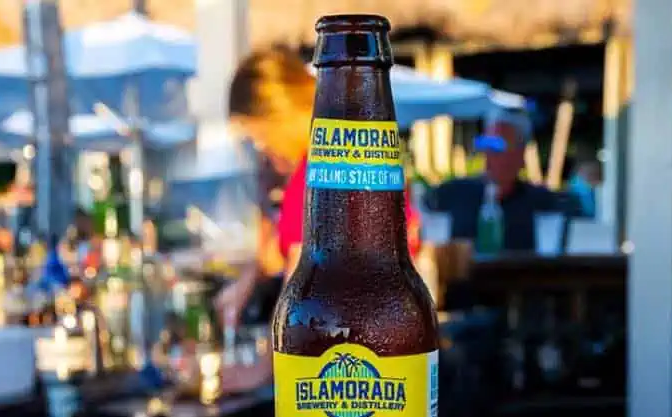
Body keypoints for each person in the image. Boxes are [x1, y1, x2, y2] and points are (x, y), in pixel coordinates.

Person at [218, 44, 421, 333]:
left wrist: (260, 369)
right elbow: (278, 258)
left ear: (279, 116)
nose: (262, 148)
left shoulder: (317, 178)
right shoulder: (355, 146)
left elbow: (299, 308)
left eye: (259, 135)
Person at [427, 116, 570, 253]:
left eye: (497, 146)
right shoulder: (458, 191)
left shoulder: (537, 199)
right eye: (486, 145)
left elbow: (573, 214)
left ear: (520, 155)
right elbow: (422, 208)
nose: (489, 154)